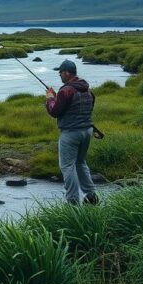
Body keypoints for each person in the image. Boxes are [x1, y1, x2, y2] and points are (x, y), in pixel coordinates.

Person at [45, 59, 99, 205]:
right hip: (87, 132)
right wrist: (56, 97)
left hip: (70, 133)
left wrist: (50, 99)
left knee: (67, 167)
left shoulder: (66, 90)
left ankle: (73, 201)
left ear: (67, 73)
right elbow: (80, 109)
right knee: (80, 162)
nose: (59, 75)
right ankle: (91, 195)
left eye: (61, 72)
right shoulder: (87, 90)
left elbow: (54, 111)